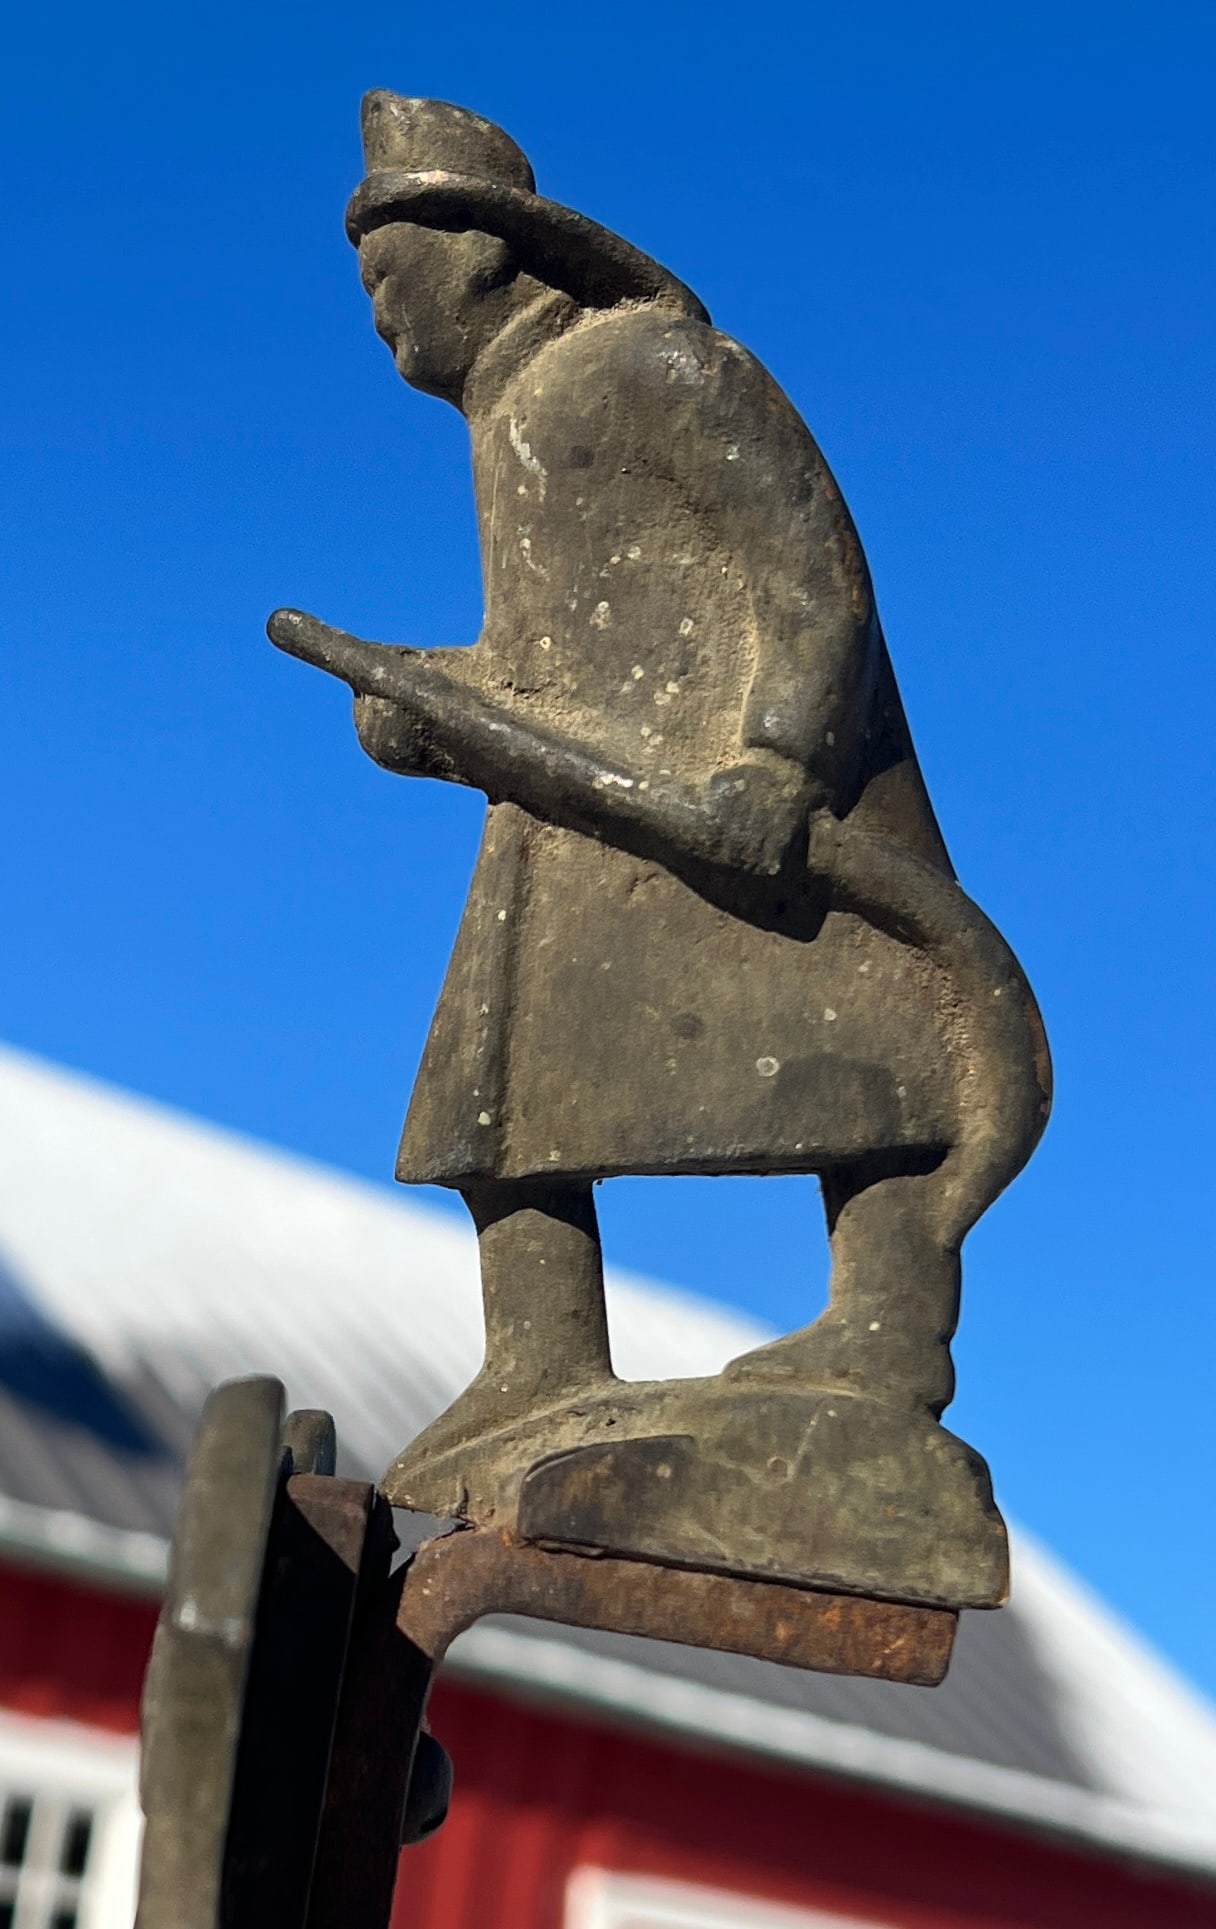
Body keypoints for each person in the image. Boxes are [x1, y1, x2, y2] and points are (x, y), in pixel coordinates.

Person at [270, 94, 1049, 1570]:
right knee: (495, 1079)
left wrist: (772, 755)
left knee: (861, 1033)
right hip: (594, 811)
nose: (375, 310)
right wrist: (436, 709)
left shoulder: (644, 364)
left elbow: (808, 559)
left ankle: (887, 1335)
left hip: (759, 796)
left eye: (392, 267)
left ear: (490, 255)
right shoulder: (508, 418)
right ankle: (542, 1356)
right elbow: (552, 661)